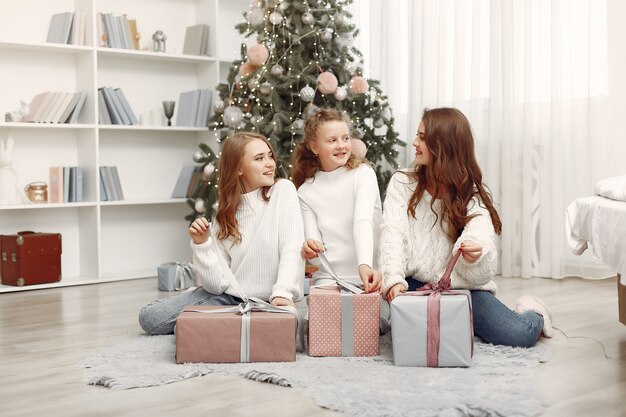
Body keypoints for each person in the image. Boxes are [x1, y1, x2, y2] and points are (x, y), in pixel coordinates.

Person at [380, 107, 553, 348]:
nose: (414, 142)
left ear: (444, 146)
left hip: (462, 288)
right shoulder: (402, 182)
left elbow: (480, 244)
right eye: (417, 135)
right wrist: (393, 281)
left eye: (422, 138)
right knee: (386, 327)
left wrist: (474, 255)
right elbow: (392, 235)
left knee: (518, 334)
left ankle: (533, 310)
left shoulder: (470, 195)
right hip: (414, 284)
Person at [139, 132, 305, 335]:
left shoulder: (282, 191)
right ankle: (212, 317)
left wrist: (283, 293)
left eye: (270, 156)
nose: (270, 163)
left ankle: (211, 321)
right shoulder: (223, 217)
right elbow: (216, 285)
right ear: (238, 169)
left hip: (269, 299)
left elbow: (292, 247)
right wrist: (202, 245)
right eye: (259, 158)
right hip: (230, 298)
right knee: (149, 316)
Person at [291, 108, 390, 332]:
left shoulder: (363, 174)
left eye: (345, 138)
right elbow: (314, 241)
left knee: (372, 327)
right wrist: (310, 247)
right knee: (323, 329)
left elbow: (362, 221)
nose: (341, 145)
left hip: (369, 277)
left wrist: (364, 265)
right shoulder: (306, 191)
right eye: (332, 140)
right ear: (315, 147)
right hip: (331, 280)